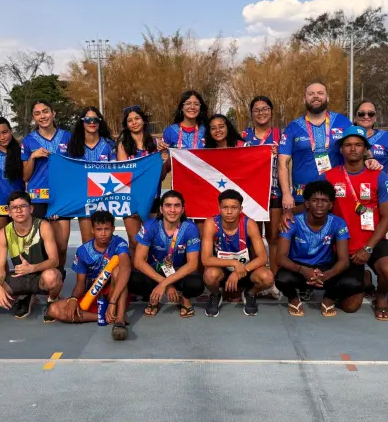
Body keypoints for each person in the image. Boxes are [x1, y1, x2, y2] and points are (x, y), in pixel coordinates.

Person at [323, 126, 388, 320]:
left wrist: (368, 248)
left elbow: (387, 216)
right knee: (350, 307)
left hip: (372, 242)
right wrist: (288, 213)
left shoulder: (378, 176)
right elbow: (313, 203)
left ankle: (380, 295)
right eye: (348, 145)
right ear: (341, 149)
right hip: (343, 246)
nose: (352, 148)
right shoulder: (329, 176)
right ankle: (364, 279)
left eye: (358, 144)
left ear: (365, 148)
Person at [46, 211, 131, 340]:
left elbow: (126, 268)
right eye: (99, 229)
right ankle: (103, 316)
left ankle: (119, 320)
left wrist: (113, 301)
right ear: (92, 230)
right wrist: (73, 299)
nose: (103, 233)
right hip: (93, 294)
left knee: (118, 270)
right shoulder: (83, 251)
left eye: (107, 229)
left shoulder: (119, 243)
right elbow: (80, 283)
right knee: (53, 310)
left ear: (113, 229)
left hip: (115, 293)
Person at [0, 191, 62, 320]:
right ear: (9, 212)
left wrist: (32, 268)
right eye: (14, 207)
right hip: (20, 275)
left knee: (52, 277)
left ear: (31, 209)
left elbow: (54, 261)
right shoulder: (4, 233)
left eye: (23, 206)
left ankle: (52, 300)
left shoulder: (43, 226)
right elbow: (0, 266)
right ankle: (22, 301)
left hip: (41, 274)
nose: (18, 210)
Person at [274, 181, 352, 317]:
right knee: (281, 279)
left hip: (324, 268)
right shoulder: (292, 222)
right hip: (299, 267)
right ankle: (293, 298)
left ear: (331, 205)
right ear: (307, 203)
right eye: (315, 200)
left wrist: (326, 275)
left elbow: (344, 260)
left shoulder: (338, 223)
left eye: (325, 201)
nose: (320, 205)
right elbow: (280, 258)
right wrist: (302, 270)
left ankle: (328, 299)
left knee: (351, 281)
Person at [278, 81, 354, 216]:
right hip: (303, 196)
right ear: (305, 99)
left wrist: (370, 158)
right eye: (311, 94)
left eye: (320, 93)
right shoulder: (293, 127)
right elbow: (283, 162)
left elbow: (358, 150)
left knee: (337, 235)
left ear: (327, 98)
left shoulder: (343, 122)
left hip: (336, 194)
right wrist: (286, 194)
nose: (315, 96)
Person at [352, 100, 388, 302]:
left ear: (375, 117)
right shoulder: (350, 135)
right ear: (355, 116)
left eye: (370, 114)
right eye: (361, 113)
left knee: (374, 232)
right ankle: (361, 276)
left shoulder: (385, 137)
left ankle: (379, 285)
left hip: (375, 198)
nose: (366, 117)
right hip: (352, 197)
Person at [201, 189, 274, 316]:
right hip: (222, 271)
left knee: (267, 278)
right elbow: (205, 259)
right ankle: (216, 294)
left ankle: (250, 293)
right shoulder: (211, 223)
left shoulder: (249, 223)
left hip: (246, 269)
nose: (229, 212)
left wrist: (238, 271)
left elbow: (263, 258)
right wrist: (234, 263)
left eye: (234, 207)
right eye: (225, 207)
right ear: (219, 208)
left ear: (241, 209)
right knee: (209, 275)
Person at [130, 190, 204, 318]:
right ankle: (152, 297)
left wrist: (164, 284)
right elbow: (138, 261)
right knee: (133, 280)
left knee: (196, 284)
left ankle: (184, 298)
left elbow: (192, 265)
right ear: (161, 208)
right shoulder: (150, 226)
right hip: (156, 271)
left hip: (179, 272)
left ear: (183, 209)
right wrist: (166, 284)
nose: (172, 210)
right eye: (168, 205)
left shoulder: (190, 228)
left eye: (177, 205)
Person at [22, 100, 72, 276]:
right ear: (34, 118)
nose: (42, 116)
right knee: (37, 247)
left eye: (45, 111)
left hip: (62, 197)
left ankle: (56, 286)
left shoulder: (67, 137)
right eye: (37, 113)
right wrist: (33, 157)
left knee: (61, 246)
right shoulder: (28, 141)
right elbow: (25, 176)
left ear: (53, 114)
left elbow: (76, 167)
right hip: (37, 198)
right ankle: (36, 288)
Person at [116, 105, 170, 249]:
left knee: (153, 241)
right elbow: (123, 176)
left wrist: (164, 162)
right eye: (130, 120)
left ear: (144, 120)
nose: (134, 122)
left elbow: (162, 176)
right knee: (134, 241)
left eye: (137, 118)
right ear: (126, 125)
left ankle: (151, 271)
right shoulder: (123, 145)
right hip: (131, 199)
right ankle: (135, 272)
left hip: (152, 197)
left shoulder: (156, 143)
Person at [241, 96, 282, 275]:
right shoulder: (243, 136)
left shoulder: (281, 135)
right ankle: (257, 275)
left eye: (265, 109)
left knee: (273, 238)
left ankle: (273, 277)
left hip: (275, 191)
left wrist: (280, 153)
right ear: (251, 114)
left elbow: (290, 161)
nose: (261, 113)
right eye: (256, 110)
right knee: (254, 237)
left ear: (271, 111)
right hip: (252, 194)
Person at [66, 107, 116, 243]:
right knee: (88, 240)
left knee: (105, 239)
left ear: (100, 122)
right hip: (84, 199)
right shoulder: (74, 145)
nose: (92, 122)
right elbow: (69, 174)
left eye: (95, 119)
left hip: (106, 196)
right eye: (88, 119)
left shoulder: (109, 144)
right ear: (82, 122)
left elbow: (117, 171)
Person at [0, 117, 28, 239]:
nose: (2, 137)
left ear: (10, 130)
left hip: (18, 205)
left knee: (20, 247)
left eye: (5, 132)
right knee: (1, 246)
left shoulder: (22, 150)